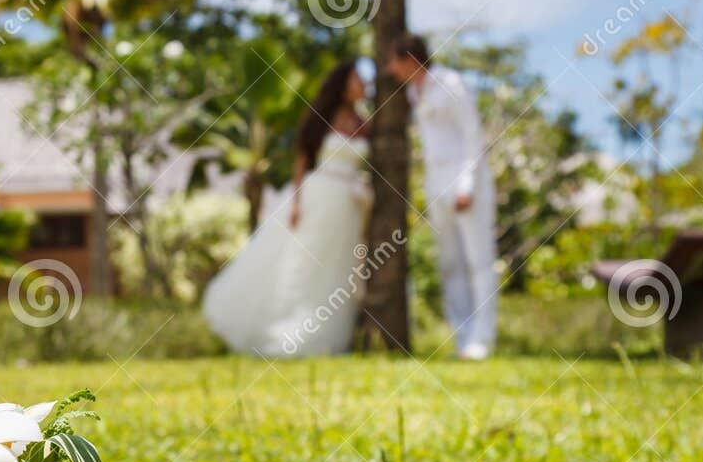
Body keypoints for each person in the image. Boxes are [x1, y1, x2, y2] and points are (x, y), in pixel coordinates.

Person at [203, 60, 371, 357]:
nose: (364, 84)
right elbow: (302, 161)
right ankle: (286, 331)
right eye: (359, 79)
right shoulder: (322, 117)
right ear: (344, 83)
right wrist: (296, 202)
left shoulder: (365, 122)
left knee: (338, 268)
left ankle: (327, 335)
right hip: (318, 195)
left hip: (348, 207)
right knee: (305, 262)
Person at [386, 33, 497, 360]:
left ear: (410, 59)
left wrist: (466, 186)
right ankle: (463, 338)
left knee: (478, 261)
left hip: (466, 183)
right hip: (436, 185)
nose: (390, 69)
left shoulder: (450, 83)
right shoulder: (413, 92)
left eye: (394, 61)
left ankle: (482, 339)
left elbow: (472, 134)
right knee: (450, 263)